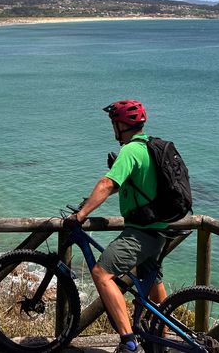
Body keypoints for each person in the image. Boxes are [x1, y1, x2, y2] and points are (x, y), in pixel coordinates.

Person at [65, 99, 168, 353]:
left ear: (122, 124)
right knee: (151, 280)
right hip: (161, 228)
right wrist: (89, 202)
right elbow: (131, 185)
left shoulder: (130, 151)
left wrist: (82, 214)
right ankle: (160, 341)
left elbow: (108, 183)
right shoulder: (150, 148)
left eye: (114, 123)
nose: (113, 128)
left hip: (142, 232)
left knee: (101, 273)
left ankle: (129, 341)